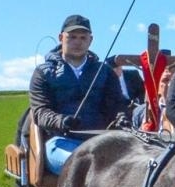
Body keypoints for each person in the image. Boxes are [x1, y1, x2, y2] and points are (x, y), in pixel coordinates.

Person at [28, 14, 128, 173]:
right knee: (82, 166)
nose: (78, 42)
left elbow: (117, 105)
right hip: (60, 141)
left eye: (83, 37)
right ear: (61, 38)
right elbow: (40, 112)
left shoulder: (105, 72)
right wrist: (62, 121)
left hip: (100, 141)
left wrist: (122, 117)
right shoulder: (43, 73)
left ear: (91, 40)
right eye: (72, 37)